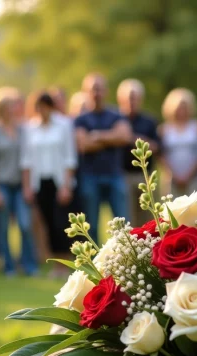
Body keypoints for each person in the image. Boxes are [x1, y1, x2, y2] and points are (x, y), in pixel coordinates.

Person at [0, 91, 38, 276]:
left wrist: (27, 187)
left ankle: (29, 265)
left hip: (20, 185)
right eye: (9, 106)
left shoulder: (23, 130)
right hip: (2, 185)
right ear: (1, 109)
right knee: (3, 227)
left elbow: (27, 160)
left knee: (25, 224)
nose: (13, 110)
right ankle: (8, 266)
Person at [75, 73, 132, 245]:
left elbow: (125, 137)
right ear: (86, 92)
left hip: (115, 175)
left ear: (106, 91)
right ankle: (96, 263)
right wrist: (111, 138)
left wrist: (97, 136)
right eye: (93, 89)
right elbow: (84, 144)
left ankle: (126, 256)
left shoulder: (117, 115)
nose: (96, 93)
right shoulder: (80, 119)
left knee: (122, 222)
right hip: (89, 177)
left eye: (99, 89)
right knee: (91, 224)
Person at [21, 92, 77, 267]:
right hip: (40, 182)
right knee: (48, 223)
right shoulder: (30, 128)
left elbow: (70, 157)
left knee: (61, 223)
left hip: (59, 182)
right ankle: (55, 262)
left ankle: (65, 262)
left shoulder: (64, 125)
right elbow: (26, 160)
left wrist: (66, 186)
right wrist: (27, 186)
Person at [117, 79, 159, 225]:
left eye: (134, 98)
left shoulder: (149, 121)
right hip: (124, 175)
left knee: (149, 218)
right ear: (120, 99)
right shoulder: (116, 119)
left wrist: (132, 138)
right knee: (128, 218)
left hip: (145, 175)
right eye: (128, 98)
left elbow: (156, 146)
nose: (131, 101)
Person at [159, 88, 197, 197]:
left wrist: (189, 175)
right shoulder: (164, 129)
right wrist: (174, 174)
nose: (182, 111)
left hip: (194, 177)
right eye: (179, 108)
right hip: (171, 179)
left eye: (185, 107)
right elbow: (161, 154)